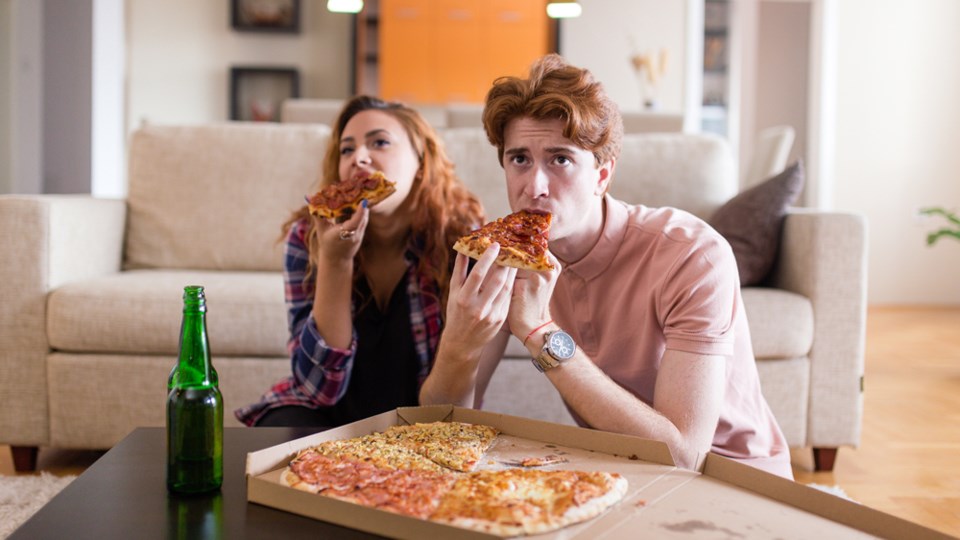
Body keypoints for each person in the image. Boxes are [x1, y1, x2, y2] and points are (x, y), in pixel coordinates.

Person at [420, 54, 793, 479]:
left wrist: (541, 332)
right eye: (519, 159)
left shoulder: (693, 255)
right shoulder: (503, 257)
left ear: (602, 175)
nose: (534, 187)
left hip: (735, 477)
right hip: (616, 470)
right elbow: (441, 426)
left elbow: (685, 456)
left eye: (560, 159)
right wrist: (458, 345)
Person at [236, 95, 484, 428]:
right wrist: (335, 262)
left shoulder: (462, 240)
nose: (359, 159)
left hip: (418, 420)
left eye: (379, 142)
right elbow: (318, 390)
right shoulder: (307, 235)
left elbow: (453, 404)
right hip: (322, 415)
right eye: (347, 149)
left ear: (421, 160)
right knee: (279, 438)